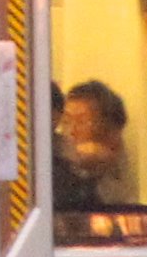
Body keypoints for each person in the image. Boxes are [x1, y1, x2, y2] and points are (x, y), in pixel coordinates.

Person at [56, 80, 135, 212]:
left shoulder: (110, 176)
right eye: (66, 121)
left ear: (111, 132)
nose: (71, 131)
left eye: (81, 121)